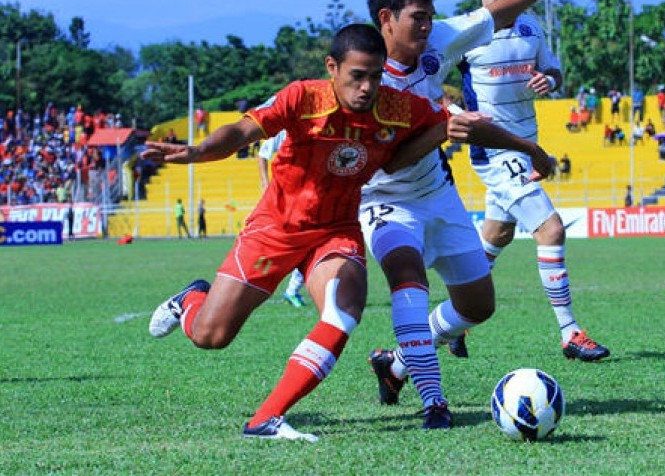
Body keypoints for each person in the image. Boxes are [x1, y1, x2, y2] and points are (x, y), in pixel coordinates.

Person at [144, 24, 482, 442]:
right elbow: (242, 131)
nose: (367, 87)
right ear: (332, 67)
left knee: (343, 310)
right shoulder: (302, 98)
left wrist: (520, 145)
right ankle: (191, 300)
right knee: (210, 337)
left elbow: (444, 124)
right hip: (276, 229)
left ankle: (266, 418)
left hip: (336, 232)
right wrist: (198, 152)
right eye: (357, 75)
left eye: (376, 75)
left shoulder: (399, 106)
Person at [362, 0, 573, 428]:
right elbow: (392, 159)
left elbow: (496, 15)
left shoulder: (436, 38)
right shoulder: (368, 74)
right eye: (418, 18)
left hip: (436, 190)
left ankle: (394, 364)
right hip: (385, 199)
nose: (428, 26)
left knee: (478, 306)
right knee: (408, 284)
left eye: (430, 16)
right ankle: (435, 401)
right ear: (386, 20)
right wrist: (443, 127)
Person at [452, 0, 608, 363]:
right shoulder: (466, 32)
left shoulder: (531, 26)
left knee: (498, 235)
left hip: (527, 143)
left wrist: (549, 79)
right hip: (495, 150)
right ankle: (570, 332)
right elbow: (428, 80)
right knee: (552, 230)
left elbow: (554, 70)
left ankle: (457, 321)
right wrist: (452, 113)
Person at [257, 131, 307, 308]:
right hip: (288, 198)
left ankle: (292, 290)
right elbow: (263, 154)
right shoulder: (286, 128)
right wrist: (265, 185)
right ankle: (260, 278)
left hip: (310, 197)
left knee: (308, 245)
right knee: (291, 244)